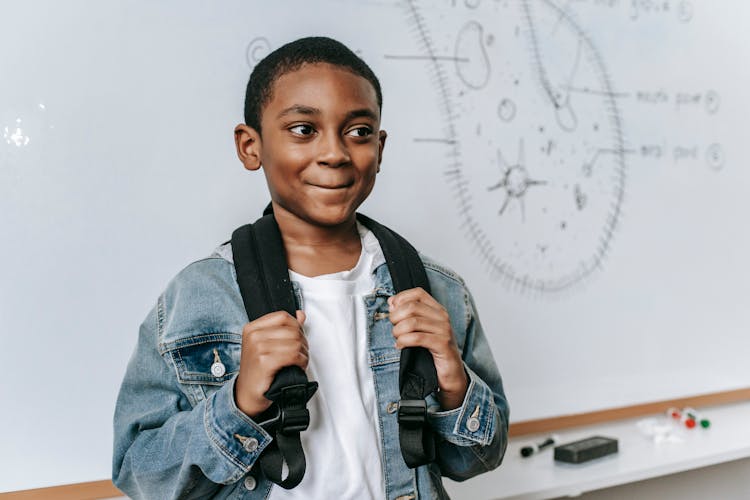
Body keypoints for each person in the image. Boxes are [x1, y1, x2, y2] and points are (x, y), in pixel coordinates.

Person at [113, 36, 508, 499]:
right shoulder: (197, 296)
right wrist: (238, 402)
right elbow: (140, 474)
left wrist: (453, 376)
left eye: (358, 131)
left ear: (380, 148)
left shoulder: (437, 290)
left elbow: (479, 457)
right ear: (250, 146)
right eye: (304, 129)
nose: (336, 153)